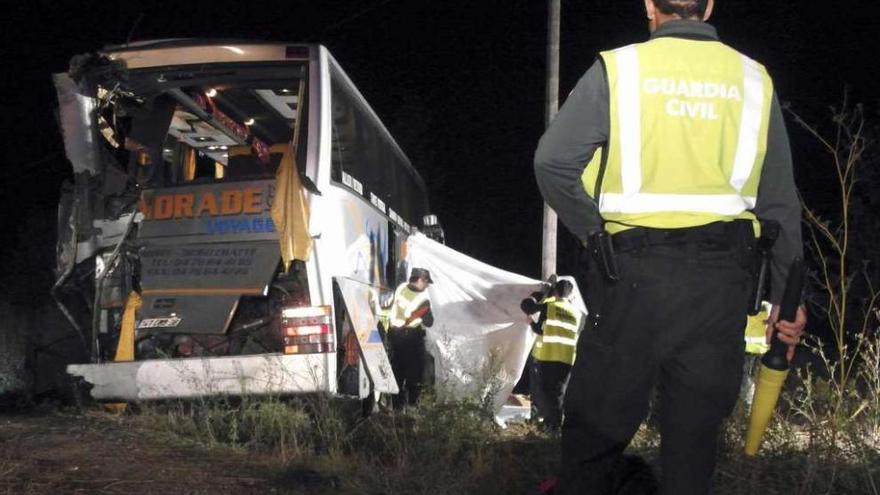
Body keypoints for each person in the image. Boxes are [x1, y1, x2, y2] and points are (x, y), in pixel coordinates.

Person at [533, 1, 808, 493]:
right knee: (692, 447)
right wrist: (790, 299)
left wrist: (594, 236)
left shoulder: (618, 70)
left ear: (648, 6)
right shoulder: (753, 80)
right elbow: (780, 202)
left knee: (593, 440)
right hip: (722, 285)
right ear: (708, 6)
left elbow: (552, 163)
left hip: (632, 278)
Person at [522, 279, 582, 431]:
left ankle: (553, 425)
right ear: (571, 294)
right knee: (559, 392)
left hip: (550, 356)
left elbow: (527, 307)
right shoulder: (576, 311)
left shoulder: (550, 306)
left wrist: (539, 295)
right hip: (568, 357)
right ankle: (553, 424)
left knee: (548, 391)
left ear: (555, 292)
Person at [387, 267, 434, 408]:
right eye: (426, 282)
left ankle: (396, 406)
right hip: (411, 339)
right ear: (420, 280)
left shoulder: (401, 288)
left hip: (395, 336)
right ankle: (413, 406)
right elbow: (429, 322)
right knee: (415, 373)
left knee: (397, 372)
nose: (427, 286)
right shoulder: (423, 299)